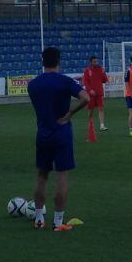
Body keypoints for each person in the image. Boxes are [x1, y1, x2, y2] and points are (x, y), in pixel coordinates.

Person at [27, 47, 90, 231]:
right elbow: (85, 98)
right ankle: (58, 222)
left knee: (42, 175)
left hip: (43, 133)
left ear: (42, 62)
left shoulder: (33, 84)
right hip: (62, 132)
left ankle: (39, 219)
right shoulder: (65, 81)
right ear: (59, 61)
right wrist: (70, 113)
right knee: (62, 176)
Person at [82, 56, 109, 132]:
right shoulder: (87, 70)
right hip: (91, 94)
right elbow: (85, 82)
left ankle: (102, 125)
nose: (96, 63)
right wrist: (90, 90)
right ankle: (90, 124)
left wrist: (104, 72)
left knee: (101, 108)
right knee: (91, 110)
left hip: (99, 92)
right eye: (94, 62)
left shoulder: (100, 69)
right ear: (91, 62)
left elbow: (104, 80)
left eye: (96, 61)